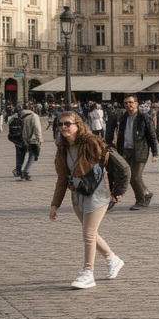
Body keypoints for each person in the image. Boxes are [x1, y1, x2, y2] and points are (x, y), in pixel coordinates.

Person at [49, 111, 126, 289]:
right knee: (90, 232)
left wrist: (117, 191)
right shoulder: (62, 147)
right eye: (59, 124)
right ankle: (112, 259)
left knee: (88, 234)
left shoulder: (92, 143)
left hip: (98, 192)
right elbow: (62, 178)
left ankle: (88, 272)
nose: (63, 127)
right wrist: (55, 205)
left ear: (78, 124)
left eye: (67, 123)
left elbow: (122, 167)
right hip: (77, 193)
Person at [107, 95, 159, 211]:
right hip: (125, 150)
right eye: (126, 103)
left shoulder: (144, 117)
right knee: (130, 176)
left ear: (136, 104)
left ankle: (140, 200)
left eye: (130, 102)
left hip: (140, 151)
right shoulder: (123, 118)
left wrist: (155, 153)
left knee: (134, 177)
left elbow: (152, 136)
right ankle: (146, 193)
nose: (128, 105)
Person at [10, 102, 41, 180]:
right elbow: (37, 128)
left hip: (18, 138)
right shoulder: (34, 116)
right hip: (32, 138)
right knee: (33, 153)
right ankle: (26, 170)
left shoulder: (16, 115)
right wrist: (39, 139)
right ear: (33, 108)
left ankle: (18, 170)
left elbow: (9, 123)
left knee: (19, 154)